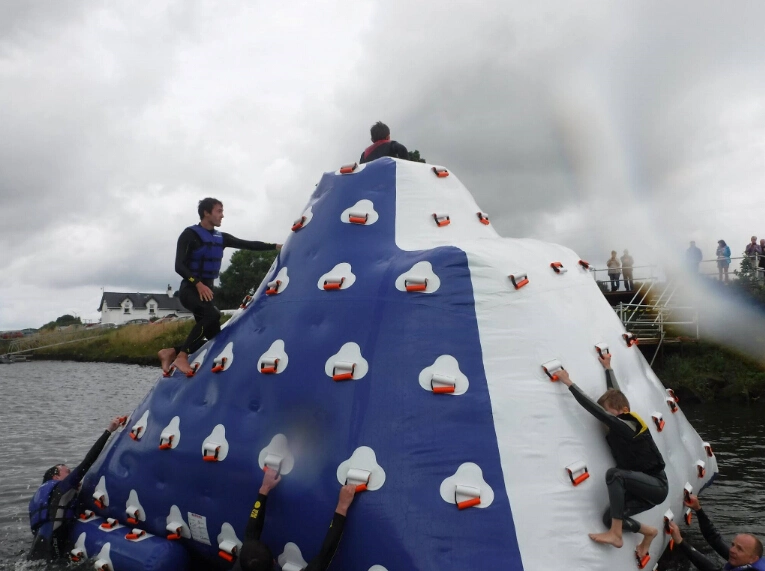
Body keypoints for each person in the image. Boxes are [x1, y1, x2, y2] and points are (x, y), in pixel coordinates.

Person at [556, 354, 667, 562]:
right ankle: (648, 532)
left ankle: (616, 535)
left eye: (611, 414)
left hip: (656, 485)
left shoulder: (628, 425)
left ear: (624, 412)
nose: (608, 420)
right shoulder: (622, 415)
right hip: (641, 491)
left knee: (615, 475)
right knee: (611, 518)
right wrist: (608, 368)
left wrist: (568, 382)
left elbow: (598, 410)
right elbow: (615, 394)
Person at [158, 198, 282, 375]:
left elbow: (248, 244)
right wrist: (198, 284)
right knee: (212, 314)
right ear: (206, 213)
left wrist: (277, 246)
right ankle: (182, 357)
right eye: (219, 211)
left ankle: (171, 351)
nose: (222, 215)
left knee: (216, 339)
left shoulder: (220, 238)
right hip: (190, 290)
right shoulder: (189, 235)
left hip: (207, 292)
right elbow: (179, 266)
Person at [28, 416, 124, 561]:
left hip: (34, 553)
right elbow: (88, 461)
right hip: (51, 555)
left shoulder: (41, 498)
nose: (72, 475)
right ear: (55, 477)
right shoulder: (61, 490)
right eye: (67, 472)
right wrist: (109, 430)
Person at [233, 468, 357, 571]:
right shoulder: (246, 558)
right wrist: (342, 506)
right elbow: (325, 556)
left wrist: (264, 489)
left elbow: (252, 531)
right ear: (273, 562)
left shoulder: (244, 564)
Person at [668, 494, 764, 570]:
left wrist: (680, 541)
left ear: (753, 559)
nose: (732, 550)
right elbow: (714, 538)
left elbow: (709, 568)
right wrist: (698, 509)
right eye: (733, 545)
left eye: (740, 549)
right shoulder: (744, 560)